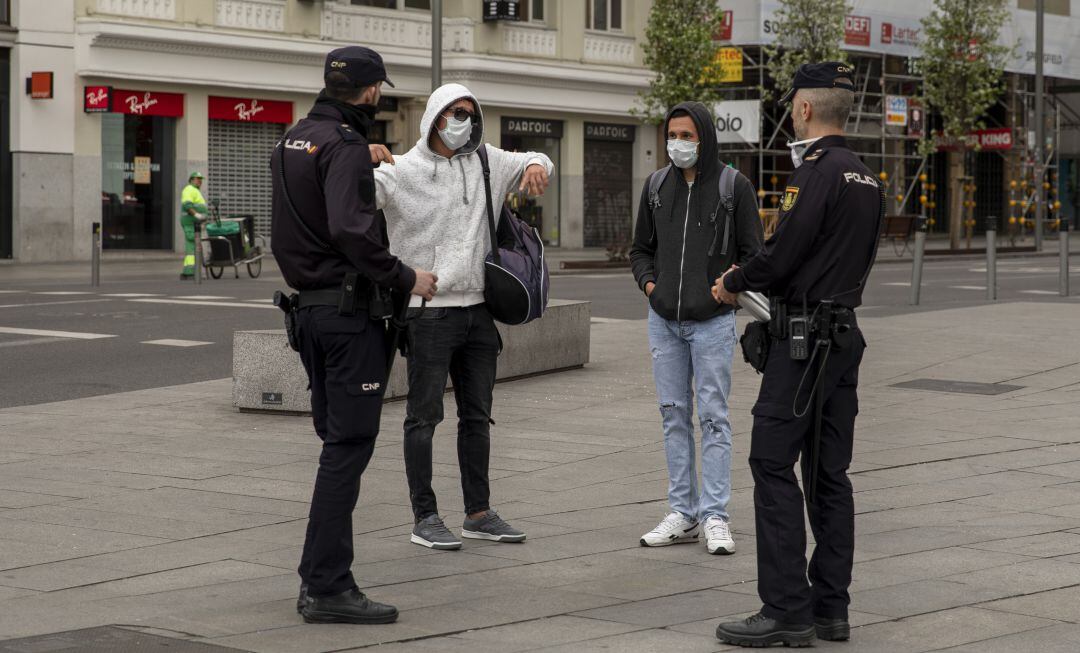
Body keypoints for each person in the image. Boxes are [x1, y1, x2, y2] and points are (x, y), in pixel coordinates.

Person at [712, 62, 881, 648]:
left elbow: (781, 254)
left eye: (792, 106)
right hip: (843, 337)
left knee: (771, 462)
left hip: (805, 341)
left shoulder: (815, 173)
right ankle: (831, 609)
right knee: (830, 474)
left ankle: (786, 609)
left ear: (804, 109)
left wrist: (735, 277)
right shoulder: (865, 175)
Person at [270, 46, 438, 625]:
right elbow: (349, 228)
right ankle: (326, 586)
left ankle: (320, 578)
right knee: (347, 449)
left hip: (310, 315)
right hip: (348, 318)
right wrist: (407, 276)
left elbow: (304, 219)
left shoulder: (294, 138)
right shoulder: (341, 146)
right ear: (370, 92)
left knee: (335, 443)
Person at [368, 83, 553, 551]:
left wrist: (535, 165)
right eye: (454, 112)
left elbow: (539, 157)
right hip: (428, 314)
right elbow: (356, 195)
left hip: (478, 312)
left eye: (470, 113)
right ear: (433, 116)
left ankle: (479, 513)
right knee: (423, 417)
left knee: (477, 416)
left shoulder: (485, 161)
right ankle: (424, 516)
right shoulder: (403, 170)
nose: (463, 121)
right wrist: (356, 154)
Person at [629, 102, 763, 555]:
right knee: (673, 416)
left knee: (714, 417)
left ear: (704, 137)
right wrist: (650, 286)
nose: (678, 143)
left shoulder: (733, 186)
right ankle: (682, 512)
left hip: (712, 323)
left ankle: (715, 516)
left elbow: (754, 254)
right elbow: (639, 249)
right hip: (663, 321)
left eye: (687, 135)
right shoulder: (655, 186)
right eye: (672, 134)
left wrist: (728, 287)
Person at [179, 171, 207, 279]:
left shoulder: (195, 190)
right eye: (197, 178)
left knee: (193, 245)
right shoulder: (189, 189)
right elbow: (187, 205)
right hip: (191, 223)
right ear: (191, 180)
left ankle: (190, 270)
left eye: (201, 179)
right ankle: (190, 271)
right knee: (192, 245)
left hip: (194, 223)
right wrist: (197, 215)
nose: (200, 180)